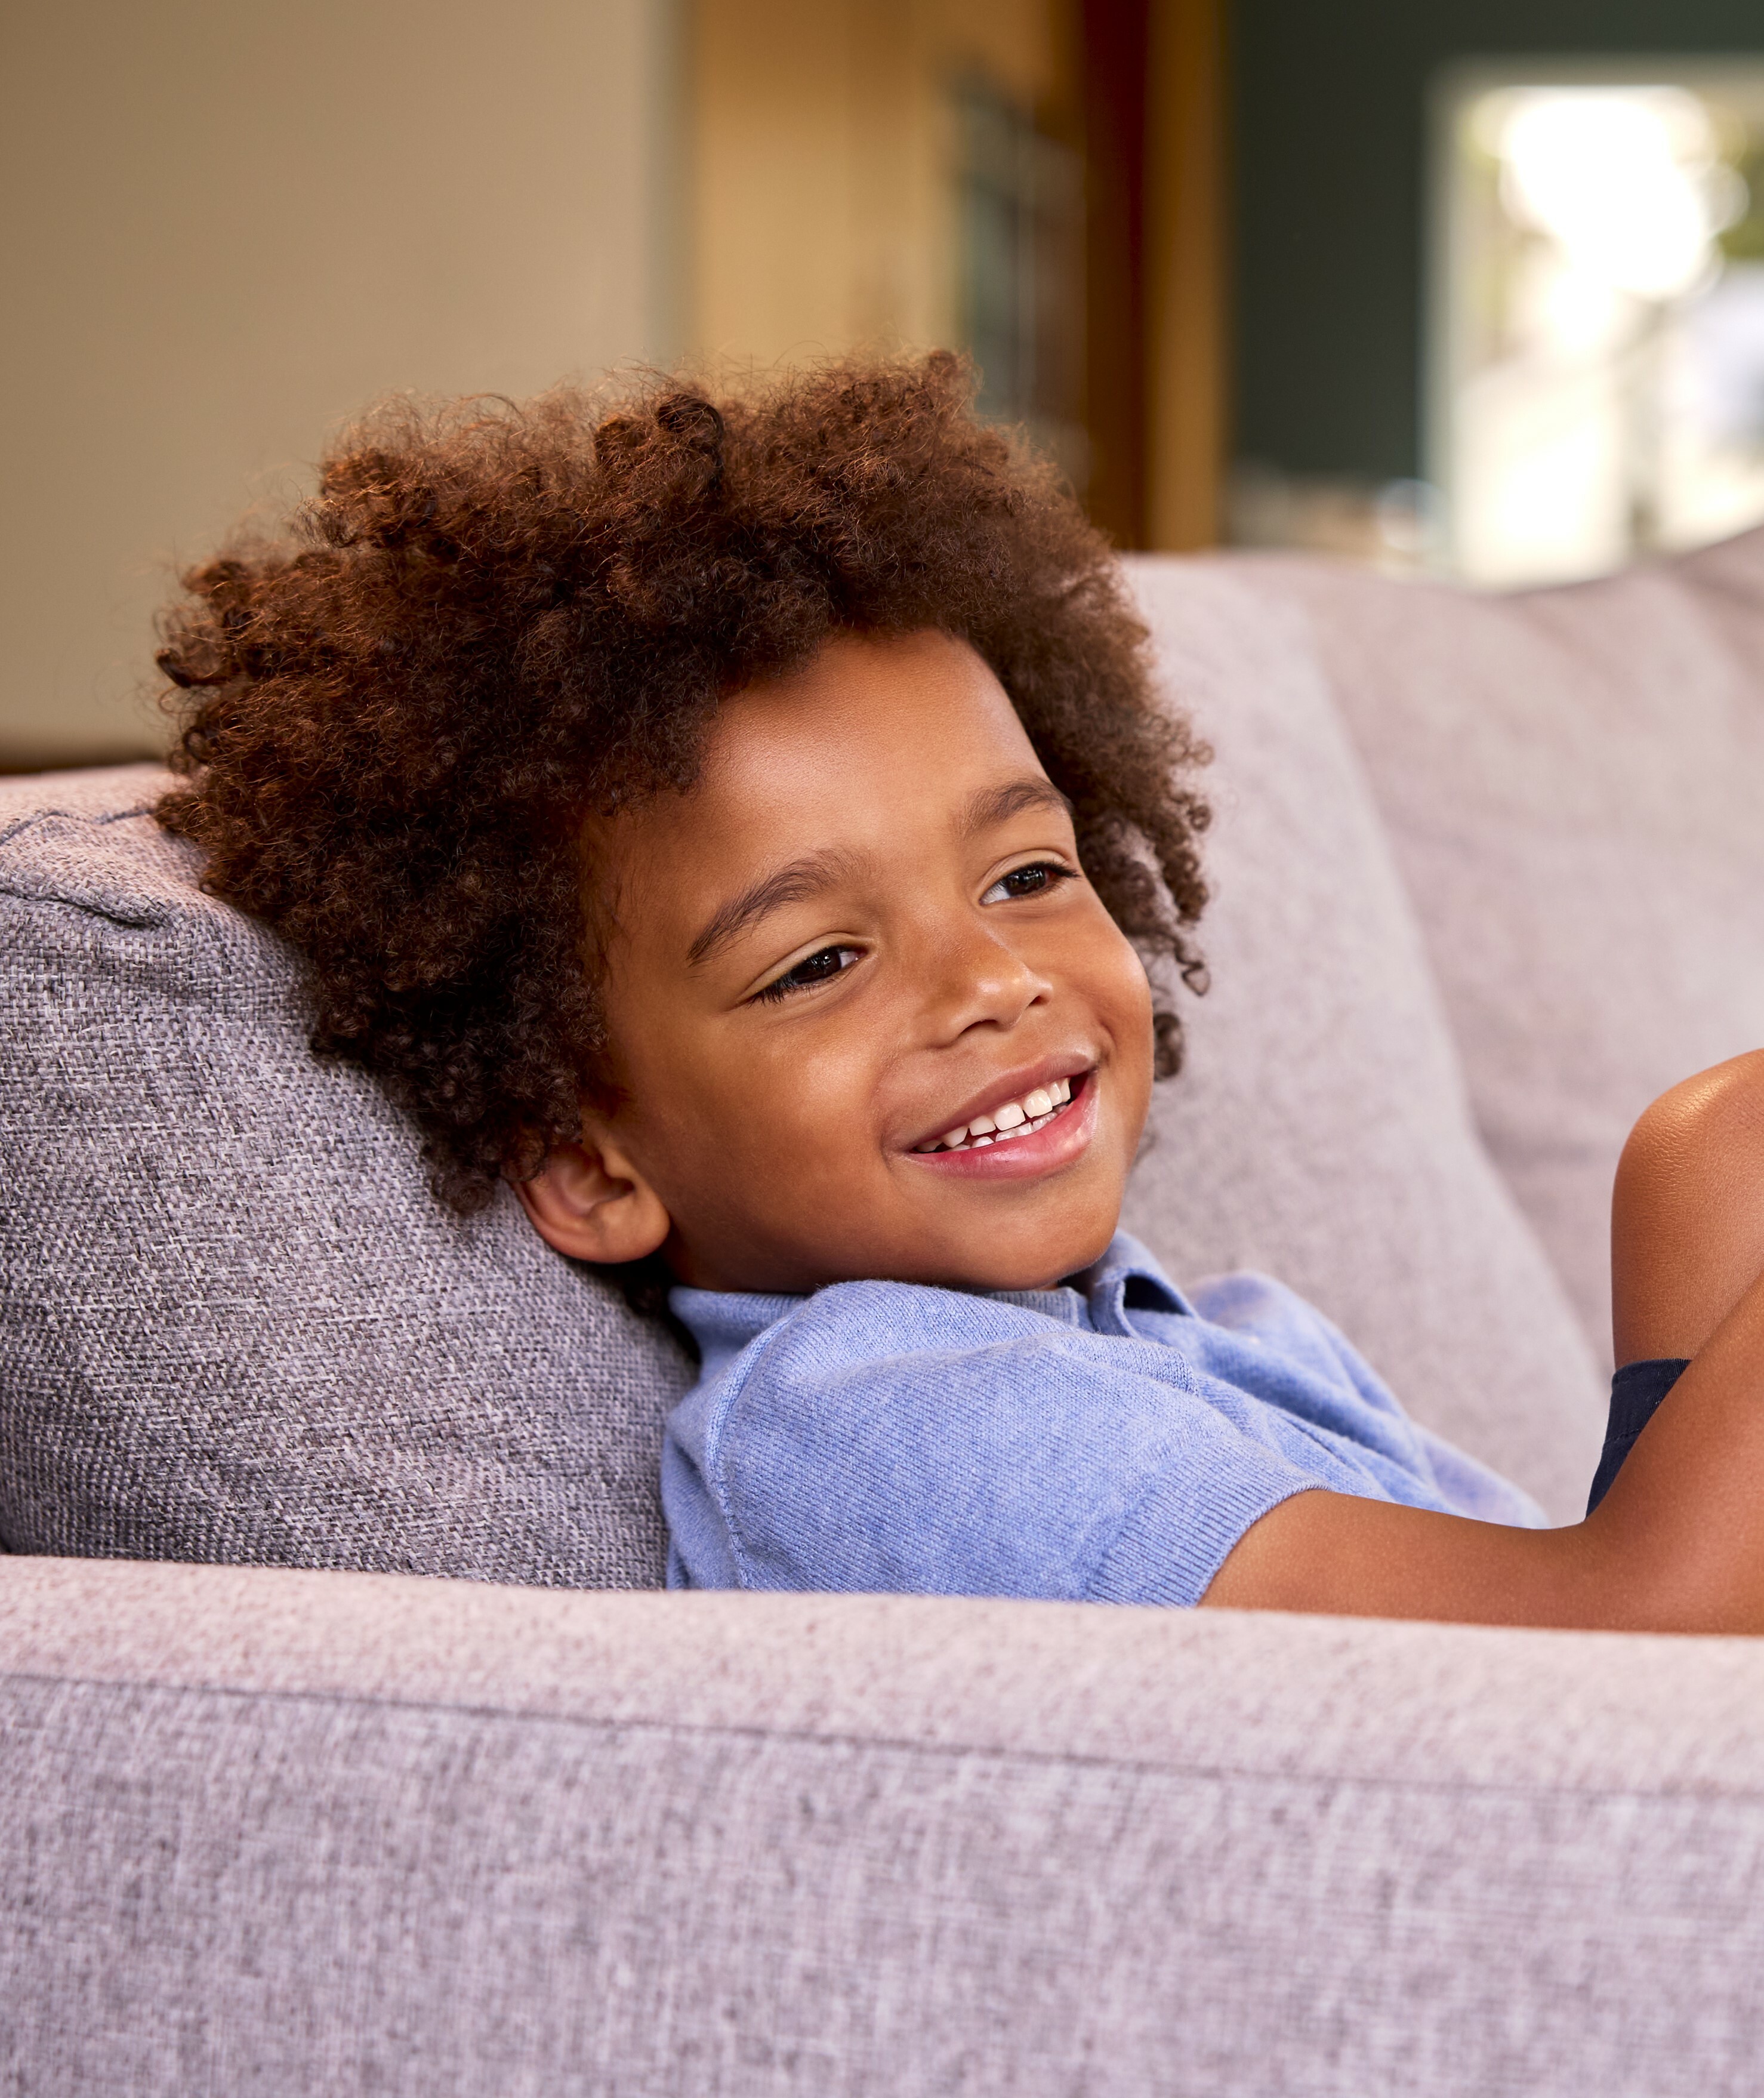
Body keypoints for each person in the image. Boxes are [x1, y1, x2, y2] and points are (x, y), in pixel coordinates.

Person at [156, 353, 1764, 1631]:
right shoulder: (880, 1417)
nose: (989, 980)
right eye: (822, 961)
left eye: (1023, 877)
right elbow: (1629, 1641)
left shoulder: (1214, 1336)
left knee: (1705, 1159)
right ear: (592, 1161)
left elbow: (1591, 1666)